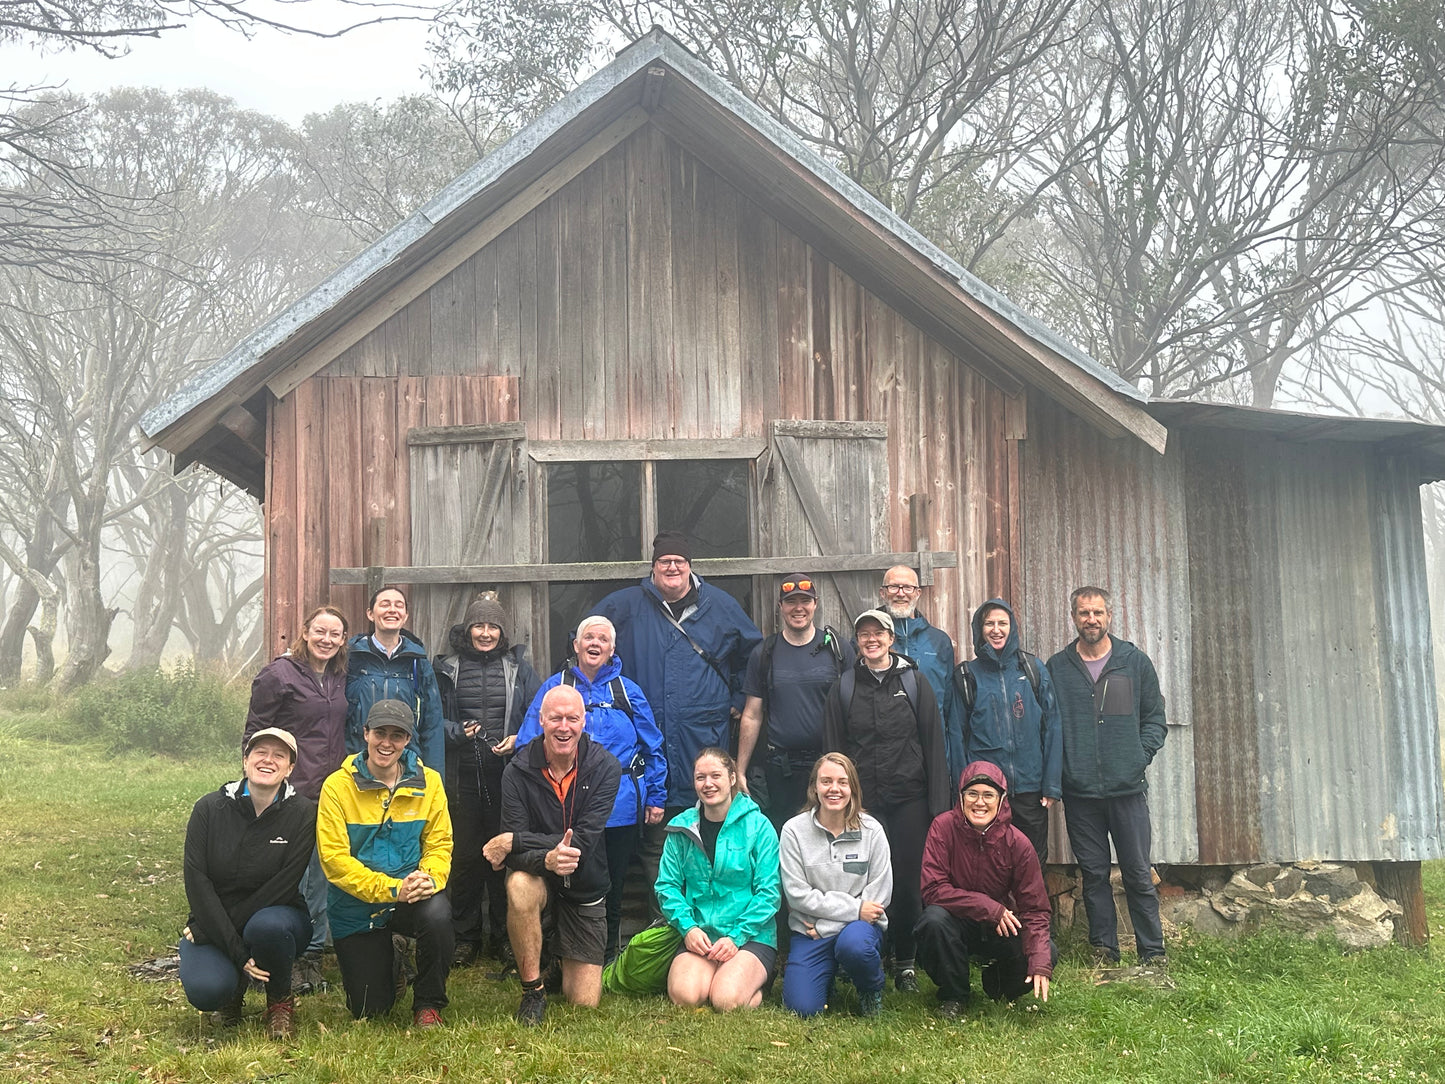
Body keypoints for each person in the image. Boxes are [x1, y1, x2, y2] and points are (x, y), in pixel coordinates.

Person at [594, 530, 762, 904]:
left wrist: (737, 695)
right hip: (644, 738)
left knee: (706, 833)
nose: (672, 567)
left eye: (679, 562)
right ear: (653, 568)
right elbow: (587, 645)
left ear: (689, 567)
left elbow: (755, 654)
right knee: (657, 838)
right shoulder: (624, 606)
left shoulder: (720, 605)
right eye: (664, 562)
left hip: (702, 737)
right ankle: (665, 926)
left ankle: (712, 918)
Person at [516, 615, 665, 963]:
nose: (594, 644)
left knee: (611, 883)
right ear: (576, 645)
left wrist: (656, 796)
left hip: (621, 805)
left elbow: (653, 747)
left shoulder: (627, 692)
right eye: (588, 638)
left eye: (602, 639)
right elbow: (527, 742)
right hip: (563, 803)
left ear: (612, 648)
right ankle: (557, 955)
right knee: (561, 876)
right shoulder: (556, 687)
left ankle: (608, 954)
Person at [823, 608, 951, 993]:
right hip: (862, 805)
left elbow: (933, 745)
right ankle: (865, 956)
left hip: (909, 799)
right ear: (857, 643)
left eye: (878, 633)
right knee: (859, 879)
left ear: (891, 639)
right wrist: (836, 804)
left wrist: (938, 808)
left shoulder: (914, 683)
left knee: (908, 881)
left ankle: (906, 962)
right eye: (864, 635)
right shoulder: (843, 688)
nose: (871, 640)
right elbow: (833, 751)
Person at [483, 685, 623, 1026]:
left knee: (584, 1002)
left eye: (572, 718)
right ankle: (533, 991)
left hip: (585, 883)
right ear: (541, 721)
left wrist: (516, 840)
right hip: (539, 877)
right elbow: (516, 860)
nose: (564, 727)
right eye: (556, 718)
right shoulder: (517, 770)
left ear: (584, 722)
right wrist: (544, 858)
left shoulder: (606, 767)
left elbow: (584, 844)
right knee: (518, 885)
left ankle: (557, 959)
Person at [1046, 586, 1168, 965]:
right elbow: (1049, 727)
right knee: (1094, 874)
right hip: (1081, 793)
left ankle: (1152, 951)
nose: (1091, 620)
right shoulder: (1058, 668)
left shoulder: (1133, 662)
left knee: (1136, 871)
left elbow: (1155, 720)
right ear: (1074, 618)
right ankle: (1104, 949)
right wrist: (1066, 770)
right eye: (1084, 613)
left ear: (1109, 616)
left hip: (1126, 789)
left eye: (1098, 612)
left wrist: (1136, 757)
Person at [318, 699, 454, 1028]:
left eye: (397, 735)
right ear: (365, 734)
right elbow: (335, 861)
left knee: (438, 914)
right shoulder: (337, 787)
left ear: (408, 740)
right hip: (356, 906)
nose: (387, 743)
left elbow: (440, 843)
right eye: (380, 733)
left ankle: (428, 1002)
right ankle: (392, 957)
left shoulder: (430, 782)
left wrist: (430, 879)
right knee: (370, 1009)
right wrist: (393, 889)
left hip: (411, 894)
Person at [180, 727, 315, 1038]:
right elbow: (197, 882)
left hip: (279, 916)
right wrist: (236, 950)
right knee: (206, 991)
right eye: (260, 753)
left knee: (266, 926)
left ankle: (280, 1003)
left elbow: (283, 885)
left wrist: (212, 931)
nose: (268, 761)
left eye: (279, 756)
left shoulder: (303, 813)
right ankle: (230, 995)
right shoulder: (208, 809)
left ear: (290, 768)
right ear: (245, 760)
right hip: (215, 915)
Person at [242, 603, 348, 994]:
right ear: (304, 632)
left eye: (335, 634)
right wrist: (256, 787)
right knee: (281, 875)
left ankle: (311, 956)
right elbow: (255, 732)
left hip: (327, 792)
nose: (327, 639)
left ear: (342, 641)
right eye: (320, 631)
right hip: (288, 791)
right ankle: (266, 955)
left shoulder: (337, 677)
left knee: (319, 875)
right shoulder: (278, 675)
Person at [433, 593, 541, 966]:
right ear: (468, 629)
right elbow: (431, 722)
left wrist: (518, 740)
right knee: (463, 859)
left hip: (507, 777)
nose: (485, 633)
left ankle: (505, 936)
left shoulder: (519, 669)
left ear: (502, 631)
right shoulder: (446, 669)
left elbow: (536, 715)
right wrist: (456, 732)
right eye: (478, 625)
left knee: (505, 857)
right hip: (461, 775)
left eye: (492, 626)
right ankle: (466, 938)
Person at [915, 761, 1053, 1017]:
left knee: (1045, 953)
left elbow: (1035, 909)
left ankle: (998, 985)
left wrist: (1040, 963)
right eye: (972, 794)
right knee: (932, 921)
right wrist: (988, 907)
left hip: (1001, 927)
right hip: (958, 922)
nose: (980, 802)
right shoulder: (942, 828)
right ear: (961, 797)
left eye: (988, 795)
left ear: (1001, 800)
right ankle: (954, 994)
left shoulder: (1018, 843)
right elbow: (933, 889)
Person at [656, 747, 780, 1011]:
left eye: (716, 776)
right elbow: (666, 886)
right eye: (701, 777)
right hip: (701, 934)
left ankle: (754, 983)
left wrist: (736, 937)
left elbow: (769, 893)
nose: (708, 784)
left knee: (725, 1000)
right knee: (685, 997)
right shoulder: (681, 829)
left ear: (732, 778)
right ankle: (716, 976)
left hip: (750, 936)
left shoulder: (759, 826)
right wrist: (688, 928)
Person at [779, 752, 892, 1018]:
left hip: (856, 930)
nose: (834, 789)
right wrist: (854, 910)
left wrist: (829, 926)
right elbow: (798, 896)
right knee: (803, 1009)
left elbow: (877, 901)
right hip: (810, 934)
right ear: (814, 788)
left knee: (855, 946)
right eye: (826, 781)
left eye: (842, 782)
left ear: (852, 788)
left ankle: (870, 988)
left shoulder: (872, 831)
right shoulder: (793, 831)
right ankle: (825, 978)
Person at [736, 575, 852, 828]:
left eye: (805, 601)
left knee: (829, 836)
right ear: (780, 606)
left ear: (815, 604)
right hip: (780, 771)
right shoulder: (764, 653)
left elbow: (855, 710)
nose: (798, 608)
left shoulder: (838, 650)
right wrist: (741, 770)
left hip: (828, 767)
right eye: (791, 602)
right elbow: (752, 714)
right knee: (783, 839)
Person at [955, 598, 1062, 867]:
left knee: (1031, 862)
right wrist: (962, 787)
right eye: (989, 623)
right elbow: (956, 734)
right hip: (985, 791)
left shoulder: (1033, 669)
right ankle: (994, 911)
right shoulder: (967, 676)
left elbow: (1053, 727)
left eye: (1002, 623)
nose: (996, 629)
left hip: (1030, 789)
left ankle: (1033, 911)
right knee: (989, 863)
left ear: (1012, 627)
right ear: (979, 630)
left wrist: (1050, 784)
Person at [877, 564, 966, 782]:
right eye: (894, 587)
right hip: (884, 752)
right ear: (882, 592)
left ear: (918, 593)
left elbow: (947, 705)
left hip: (930, 749)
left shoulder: (939, 641)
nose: (900, 593)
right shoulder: (871, 639)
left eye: (907, 587)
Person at [345, 585, 444, 773]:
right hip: (356, 764)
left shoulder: (418, 662)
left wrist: (435, 777)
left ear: (405, 616)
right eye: (385, 604)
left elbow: (433, 724)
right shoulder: (351, 657)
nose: (392, 609)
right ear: (370, 614)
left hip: (407, 766)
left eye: (399, 605)